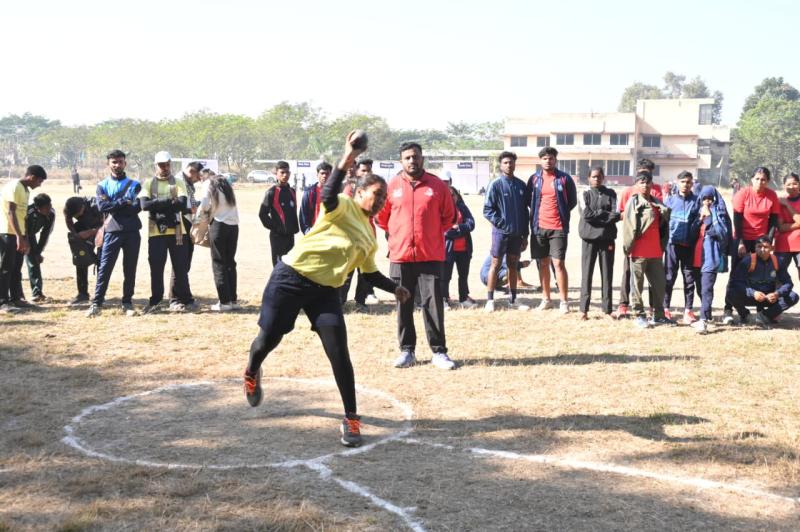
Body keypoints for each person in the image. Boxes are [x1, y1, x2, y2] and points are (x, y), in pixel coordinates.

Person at [243, 131, 411, 448]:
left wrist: (395, 289)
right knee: (268, 339)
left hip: (325, 293)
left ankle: (351, 419)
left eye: (384, 197)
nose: (380, 201)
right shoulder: (341, 206)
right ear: (359, 192)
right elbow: (329, 192)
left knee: (339, 354)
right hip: (290, 278)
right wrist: (348, 156)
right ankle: (252, 371)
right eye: (376, 194)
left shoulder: (370, 236)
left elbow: (370, 273)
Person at [375, 142, 457, 370]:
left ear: (422, 159)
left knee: (433, 305)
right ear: (401, 161)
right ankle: (407, 350)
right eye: (407, 158)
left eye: (416, 157)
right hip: (400, 256)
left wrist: (429, 235)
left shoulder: (437, 185)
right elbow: (381, 218)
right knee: (403, 304)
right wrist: (399, 236)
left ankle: (439, 352)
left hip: (430, 255)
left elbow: (449, 217)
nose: (412, 161)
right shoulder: (391, 186)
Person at [87, 150, 142, 317]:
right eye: (114, 162)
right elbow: (102, 207)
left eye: (120, 162)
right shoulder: (102, 185)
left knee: (130, 269)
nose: (117, 165)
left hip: (132, 232)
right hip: (111, 231)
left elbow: (136, 208)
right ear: (108, 164)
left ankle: (127, 302)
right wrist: (124, 201)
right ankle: (97, 303)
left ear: (125, 163)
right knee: (104, 268)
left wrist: (114, 204)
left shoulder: (135, 185)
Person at [723, 166, 781, 324]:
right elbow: (737, 220)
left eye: (764, 180)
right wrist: (740, 242)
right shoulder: (743, 194)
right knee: (736, 275)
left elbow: (773, 221)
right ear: (751, 179)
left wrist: (767, 243)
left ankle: (761, 312)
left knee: (760, 274)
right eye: (757, 179)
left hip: (760, 241)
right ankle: (728, 309)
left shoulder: (772, 195)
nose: (760, 182)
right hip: (742, 239)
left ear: (768, 181)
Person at [138, 151, 193, 313]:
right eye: (162, 165)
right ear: (156, 166)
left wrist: (156, 203)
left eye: (167, 164)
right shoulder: (149, 183)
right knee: (156, 269)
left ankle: (180, 300)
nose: (165, 168)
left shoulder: (178, 182)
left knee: (180, 268)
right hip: (156, 233)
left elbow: (182, 204)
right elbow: (144, 206)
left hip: (178, 232)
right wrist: (170, 201)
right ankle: (156, 301)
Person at [525, 146, 577, 313]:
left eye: (551, 158)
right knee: (542, 264)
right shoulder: (534, 179)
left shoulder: (564, 179)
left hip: (558, 228)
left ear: (556, 160)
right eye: (545, 158)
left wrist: (561, 214)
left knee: (559, 264)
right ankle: (546, 299)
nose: (548, 161)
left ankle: (564, 302)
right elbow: (528, 200)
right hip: (539, 227)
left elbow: (572, 202)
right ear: (540, 160)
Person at [622, 171, 673, 328]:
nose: (645, 185)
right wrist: (628, 248)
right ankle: (639, 315)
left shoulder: (657, 202)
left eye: (647, 182)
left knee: (659, 285)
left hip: (655, 251)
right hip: (639, 251)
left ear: (652, 184)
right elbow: (629, 227)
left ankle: (659, 315)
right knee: (637, 286)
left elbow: (664, 226)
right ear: (636, 185)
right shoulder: (633, 202)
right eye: (641, 182)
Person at [614, 159, 664, 319]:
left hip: (654, 245)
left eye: (648, 174)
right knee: (629, 274)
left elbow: (661, 215)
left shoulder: (657, 191)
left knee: (655, 279)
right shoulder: (628, 192)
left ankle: (655, 310)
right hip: (635, 243)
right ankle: (624, 305)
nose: (645, 179)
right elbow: (623, 214)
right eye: (642, 173)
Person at [483, 151, 529, 311]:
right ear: (501, 165)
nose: (509, 165)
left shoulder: (521, 185)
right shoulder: (495, 184)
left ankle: (513, 299)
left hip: (517, 234)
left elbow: (525, 212)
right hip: (500, 234)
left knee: (513, 265)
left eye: (511, 162)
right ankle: (490, 300)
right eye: (506, 162)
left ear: (515, 164)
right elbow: (487, 210)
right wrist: (502, 224)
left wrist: (525, 234)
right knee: (495, 264)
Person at [0, 165, 47, 313]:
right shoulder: (14, 187)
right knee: (6, 268)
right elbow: (11, 212)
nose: (39, 185)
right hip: (7, 233)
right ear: (32, 177)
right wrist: (18, 237)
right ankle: (2, 301)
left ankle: (16, 298)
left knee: (16, 268)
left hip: (18, 234)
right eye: (39, 181)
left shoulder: (25, 190)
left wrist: (25, 237)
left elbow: (23, 216)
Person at [726, 236, 798, 327]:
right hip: (752, 296)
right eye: (759, 246)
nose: (762, 249)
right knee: (731, 293)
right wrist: (753, 293)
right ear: (755, 247)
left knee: (793, 296)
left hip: (770, 297)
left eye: (766, 247)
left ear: (771, 248)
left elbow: (788, 283)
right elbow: (736, 282)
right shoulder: (747, 261)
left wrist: (777, 294)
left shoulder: (777, 262)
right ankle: (744, 315)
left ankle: (765, 315)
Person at [578, 167, 619, 319]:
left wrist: (600, 216)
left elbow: (616, 214)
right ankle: (583, 309)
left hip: (607, 239)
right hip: (589, 239)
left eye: (599, 176)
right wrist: (603, 214)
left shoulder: (611, 193)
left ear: (603, 177)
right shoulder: (584, 193)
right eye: (594, 176)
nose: (596, 179)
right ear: (589, 178)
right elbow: (586, 215)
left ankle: (607, 309)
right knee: (586, 274)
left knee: (607, 274)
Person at [690, 185, 731, 333]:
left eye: (710, 199)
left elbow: (721, 234)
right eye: (704, 198)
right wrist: (700, 218)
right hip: (696, 257)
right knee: (701, 289)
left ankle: (703, 321)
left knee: (707, 289)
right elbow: (692, 233)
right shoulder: (698, 212)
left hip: (711, 257)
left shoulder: (720, 214)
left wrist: (708, 218)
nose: (707, 201)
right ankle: (707, 315)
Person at [663, 171, 701, 323]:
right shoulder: (669, 201)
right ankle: (665, 308)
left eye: (688, 182)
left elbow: (700, 221)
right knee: (669, 277)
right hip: (672, 245)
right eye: (683, 181)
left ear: (692, 184)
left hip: (689, 246)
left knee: (689, 279)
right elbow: (663, 223)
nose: (686, 184)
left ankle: (688, 311)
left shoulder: (697, 201)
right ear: (677, 182)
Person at [199, 175, 240, 311]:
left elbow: (204, 204)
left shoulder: (208, 183)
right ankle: (233, 300)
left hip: (219, 224)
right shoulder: (226, 185)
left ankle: (224, 302)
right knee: (230, 263)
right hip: (233, 226)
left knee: (218, 263)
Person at [174, 161, 204, 306]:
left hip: (187, 222)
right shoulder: (179, 181)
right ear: (192, 171)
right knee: (180, 262)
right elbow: (177, 204)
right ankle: (176, 298)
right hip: (180, 223)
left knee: (185, 262)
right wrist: (191, 209)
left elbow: (190, 203)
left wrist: (199, 204)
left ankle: (181, 295)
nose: (198, 180)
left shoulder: (186, 183)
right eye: (198, 177)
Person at [64, 195, 103, 306]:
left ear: (83, 207)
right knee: (80, 259)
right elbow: (69, 221)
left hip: (101, 231)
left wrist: (91, 232)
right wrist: (76, 235)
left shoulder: (96, 206)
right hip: (83, 228)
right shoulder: (69, 208)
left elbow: (107, 225)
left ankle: (100, 294)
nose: (77, 216)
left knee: (101, 261)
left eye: (77, 214)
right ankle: (82, 294)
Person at [259, 161, 299, 266]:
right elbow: (262, 214)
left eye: (287, 172)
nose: (285, 175)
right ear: (276, 173)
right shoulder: (272, 192)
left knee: (290, 266)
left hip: (290, 236)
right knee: (278, 266)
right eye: (282, 172)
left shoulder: (292, 191)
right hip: (278, 237)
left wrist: (293, 228)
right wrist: (276, 228)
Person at [443, 186, 476, 309]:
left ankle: (463, 298)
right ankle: (444, 299)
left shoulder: (462, 208)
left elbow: (471, 224)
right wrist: (458, 231)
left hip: (464, 249)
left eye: (453, 195)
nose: (451, 197)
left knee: (463, 275)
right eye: (448, 195)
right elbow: (443, 230)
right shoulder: (441, 209)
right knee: (445, 276)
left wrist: (459, 228)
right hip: (448, 250)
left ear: (457, 196)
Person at [24, 193, 55, 303]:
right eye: (46, 208)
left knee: (34, 262)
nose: (49, 209)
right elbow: (23, 229)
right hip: (17, 234)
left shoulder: (51, 214)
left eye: (50, 205)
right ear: (38, 208)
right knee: (12, 265)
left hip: (31, 235)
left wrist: (38, 252)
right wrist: (25, 243)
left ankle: (37, 293)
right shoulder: (28, 212)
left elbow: (45, 234)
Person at [775, 172, 800, 281]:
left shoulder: (784, 203)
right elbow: (780, 228)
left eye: (795, 183)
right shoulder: (780, 202)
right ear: (784, 186)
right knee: (777, 275)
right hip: (783, 244)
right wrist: (798, 223)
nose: (792, 187)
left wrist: (788, 205)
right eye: (788, 184)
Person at [299, 162, 332, 234]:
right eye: (322, 173)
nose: (324, 176)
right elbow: (303, 214)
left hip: (330, 233)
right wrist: (307, 231)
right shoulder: (309, 192)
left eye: (327, 173)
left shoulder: (336, 193)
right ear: (317, 175)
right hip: (314, 232)